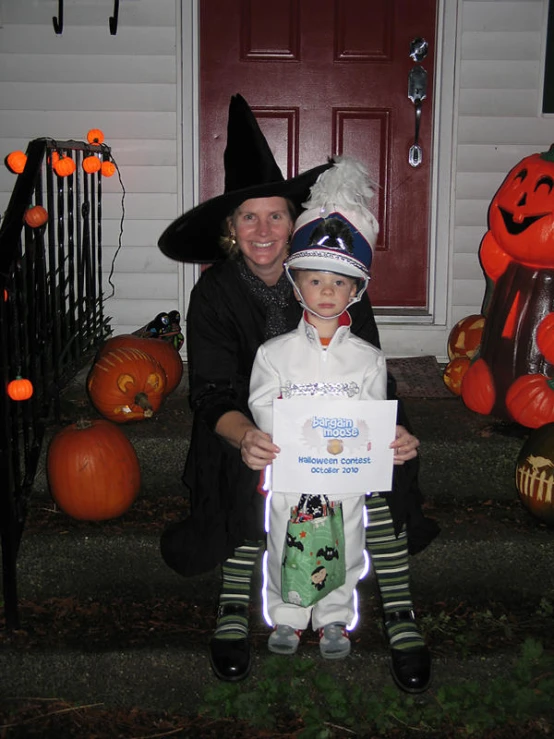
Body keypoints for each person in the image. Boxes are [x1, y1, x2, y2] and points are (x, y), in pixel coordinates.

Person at [157, 94, 439, 691]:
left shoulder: (328, 281)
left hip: (339, 430)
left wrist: (389, 433)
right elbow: (210, 394)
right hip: (245, 425)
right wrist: (250, 436)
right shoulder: (213, 296)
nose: (264, 230)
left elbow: (374, 375)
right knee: (242, 467)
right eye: (248, 218)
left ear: (294, 220)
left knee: (381, 465)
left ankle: (399, 610)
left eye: (276, 215)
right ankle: (235, 606)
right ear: (231, 231)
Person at [248, 157, 391, 661]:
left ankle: (333, 616)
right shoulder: (274, 354)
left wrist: (385, 444)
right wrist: (284, 432)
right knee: (284, 541)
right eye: (315, 281)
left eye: (339, 283)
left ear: (356, 291)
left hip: (344, 477)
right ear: (297, 285)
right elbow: (263, 403)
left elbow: (374, 418)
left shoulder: (369, 360)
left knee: (346, 543)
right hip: (292, 473)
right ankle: (287, 614)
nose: (326, 291)